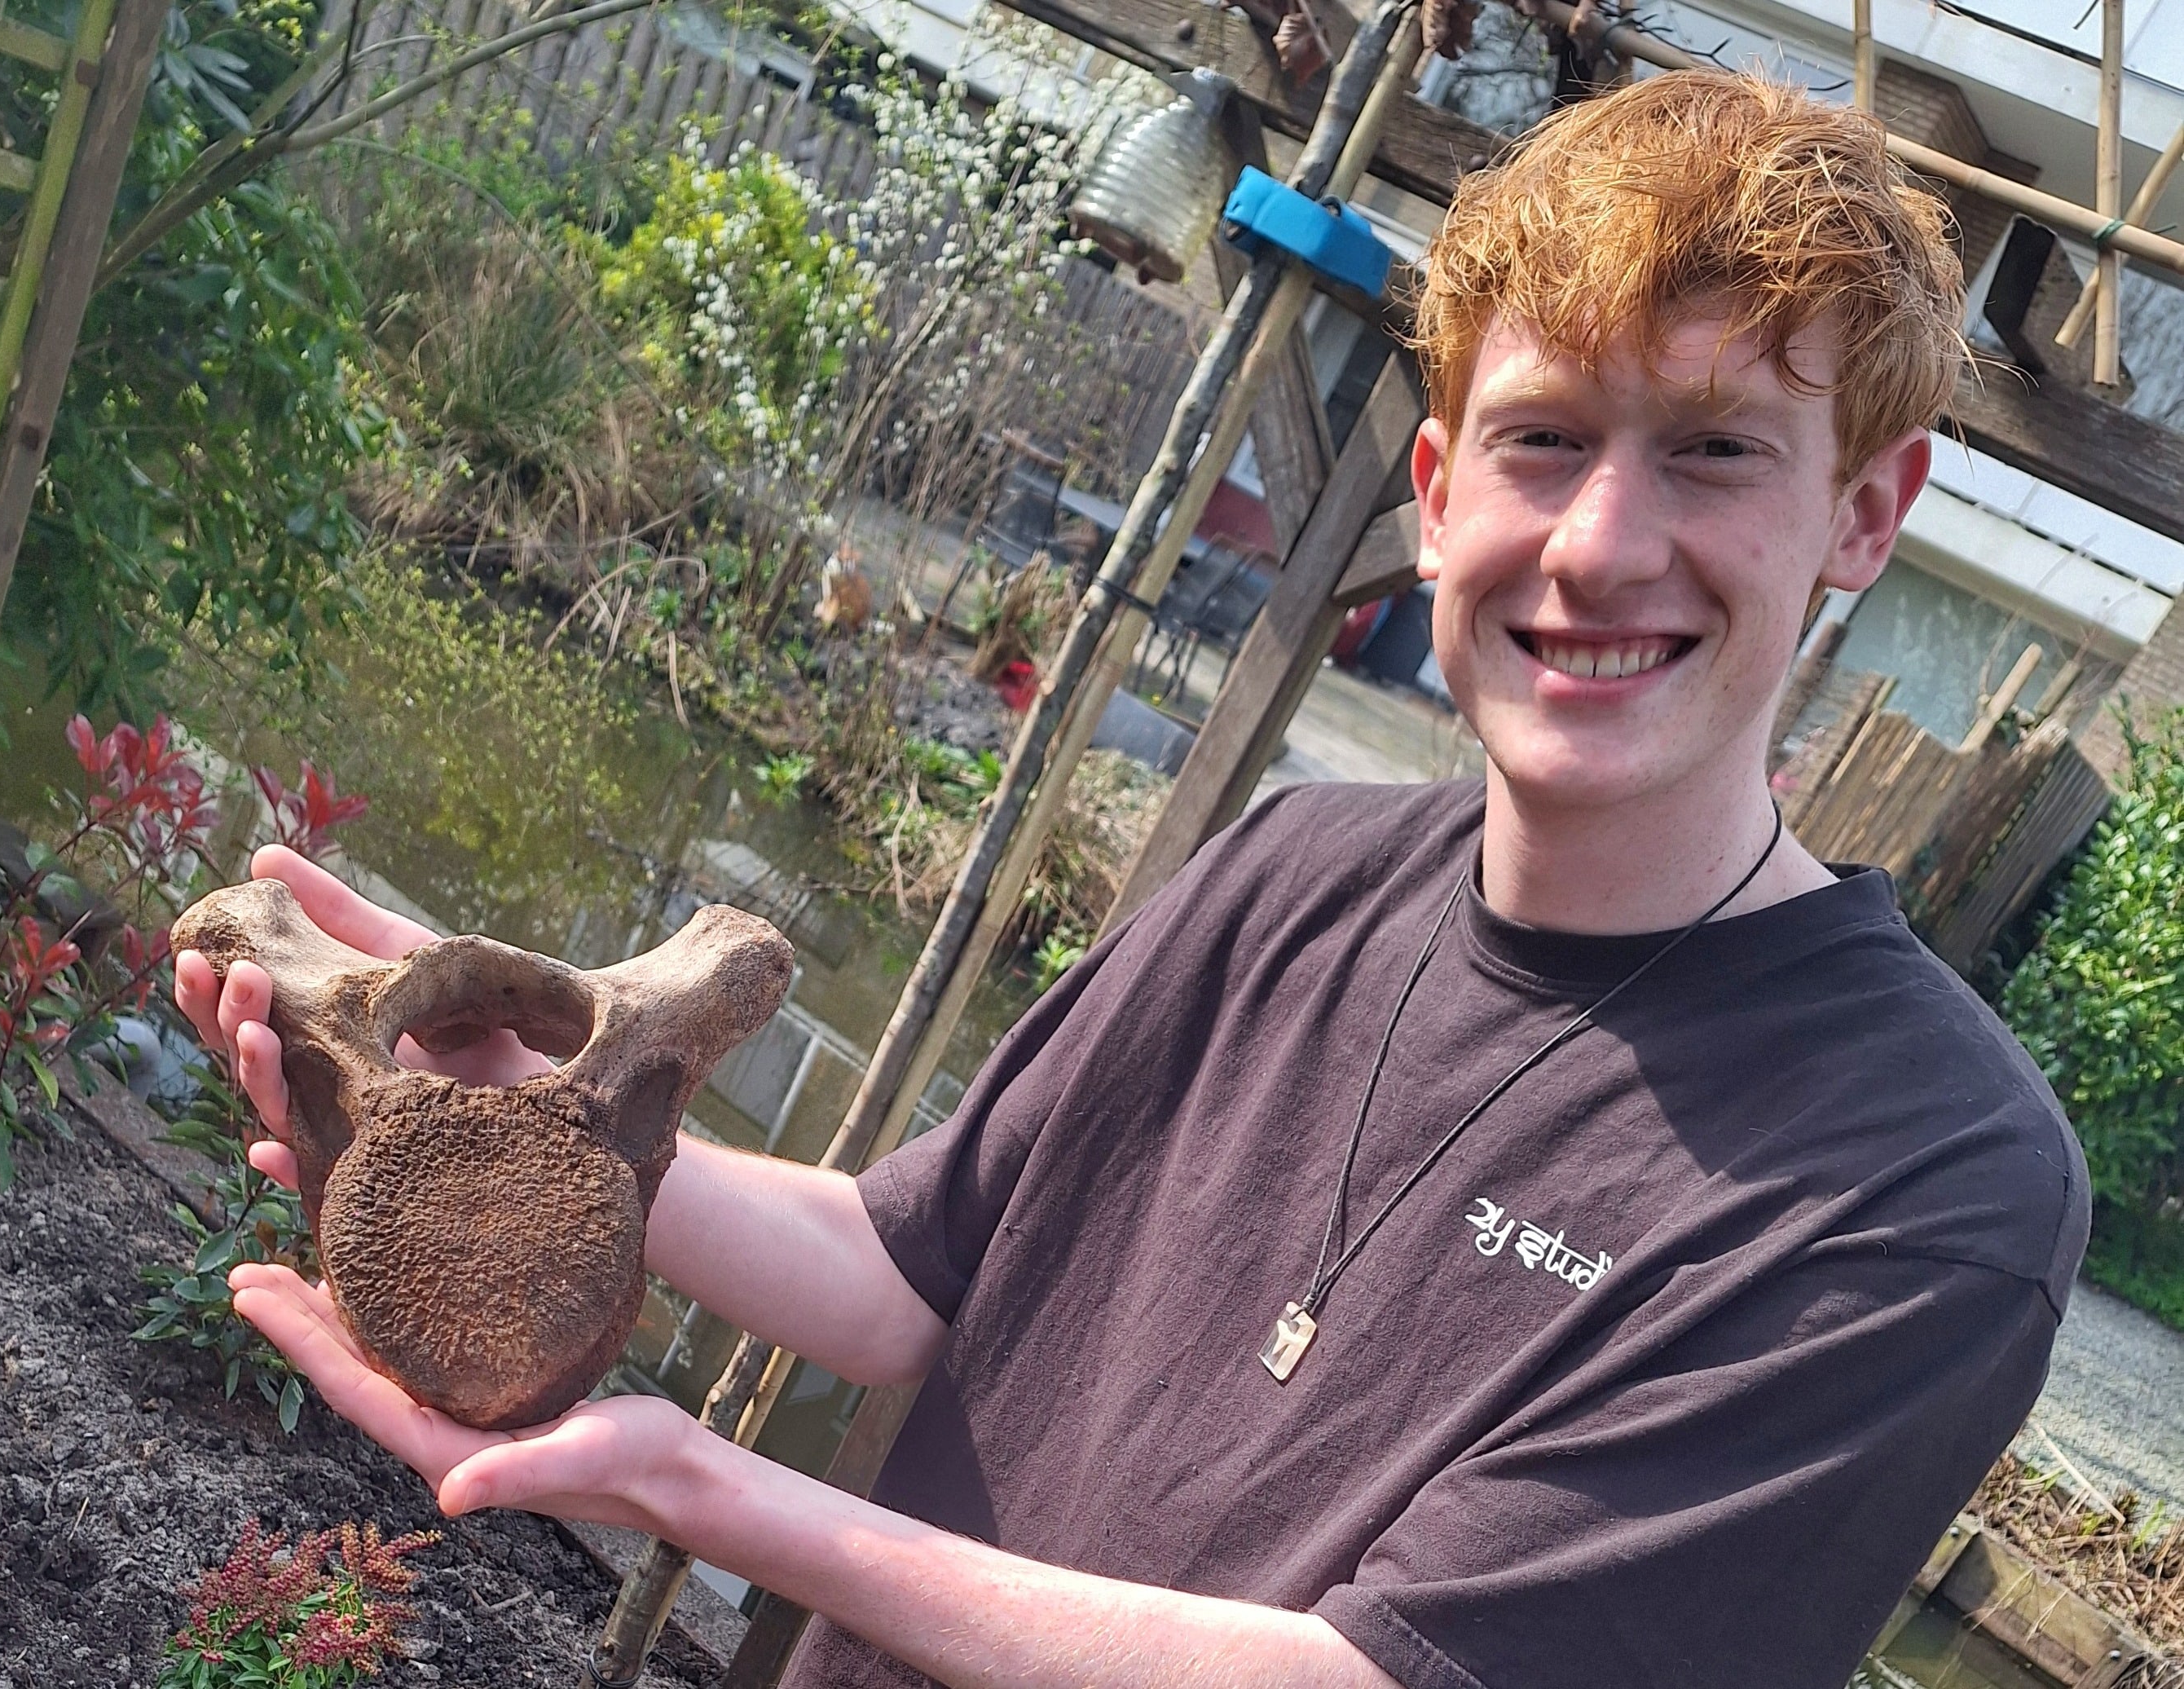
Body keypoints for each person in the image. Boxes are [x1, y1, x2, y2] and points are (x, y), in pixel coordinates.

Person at [178, 69, 2087, 1689]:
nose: (1601, 544)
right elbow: (912, 1275)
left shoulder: (1924, 1178)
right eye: (1546, 439)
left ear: (1866, 509)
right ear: (1435, 494)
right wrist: (525, 1095)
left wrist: (703, 1487)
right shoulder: (1294, 879)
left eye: (1715, 451)